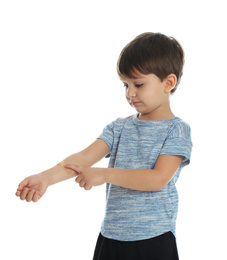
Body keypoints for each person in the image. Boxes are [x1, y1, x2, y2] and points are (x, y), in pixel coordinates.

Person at [16, 32, 193, 260]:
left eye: (138, 84)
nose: (130, 93)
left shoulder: (176, 130)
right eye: (125, 85)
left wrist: (104, 174)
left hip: (153, 240)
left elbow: (157, 179)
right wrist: (45, 178)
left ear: (168, 82)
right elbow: (83, 158)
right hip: (110, 238)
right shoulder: (118, 128)